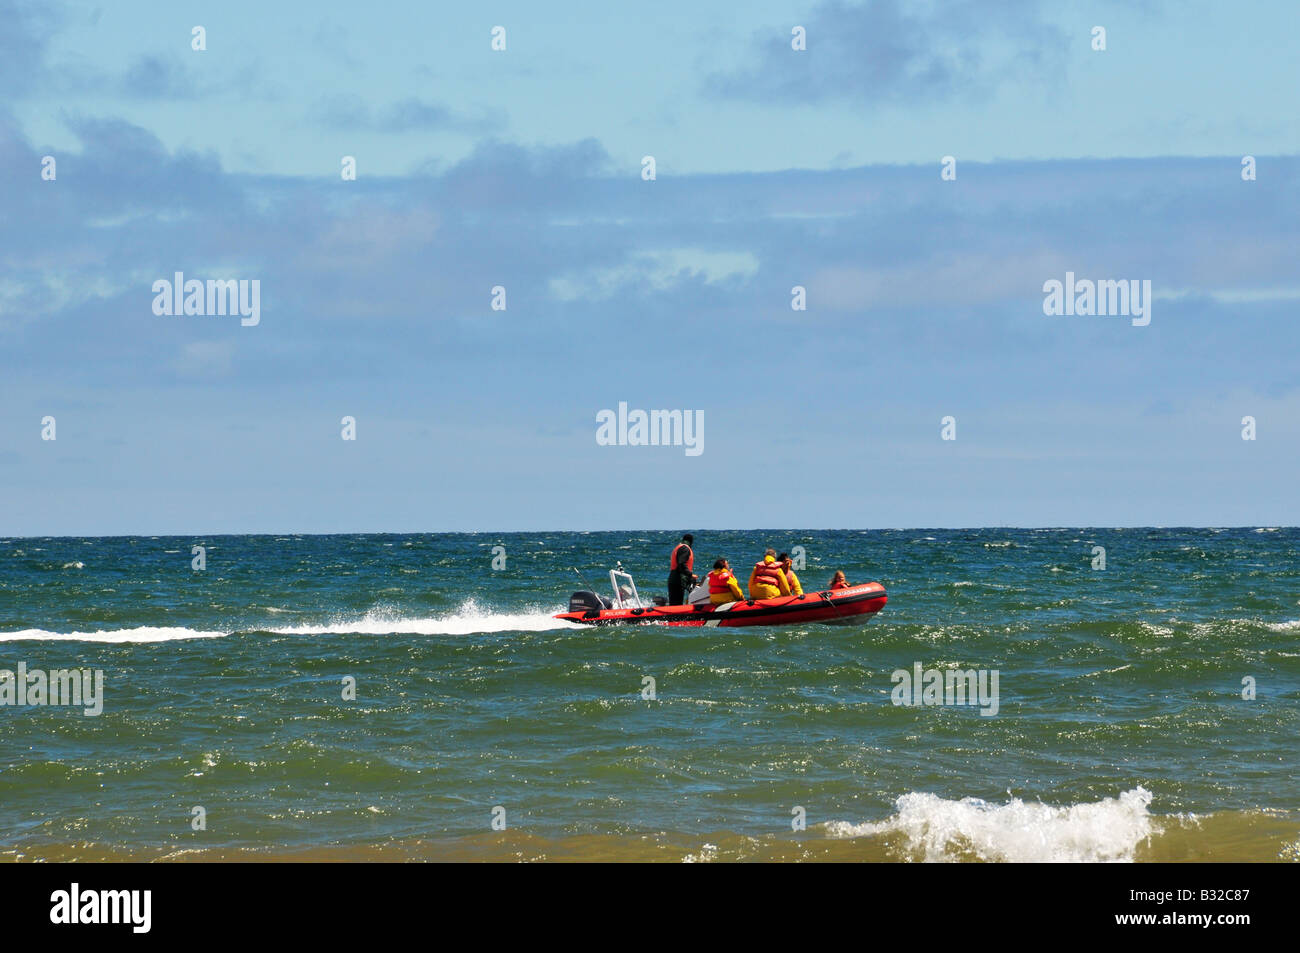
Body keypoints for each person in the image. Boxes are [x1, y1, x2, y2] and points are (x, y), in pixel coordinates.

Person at [666, 533, 698, 606]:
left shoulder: (679, 547)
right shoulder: (685, 548)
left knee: (674, 604)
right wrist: (691, 575)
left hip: (674, 580)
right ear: (691, 541)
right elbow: (681, 564)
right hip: (678, 581)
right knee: (676, 605)